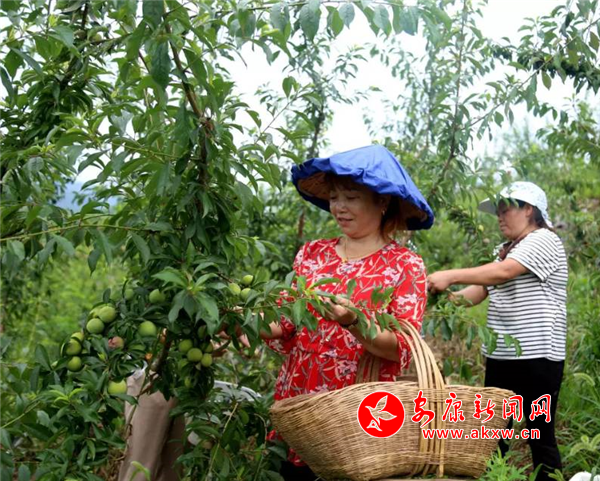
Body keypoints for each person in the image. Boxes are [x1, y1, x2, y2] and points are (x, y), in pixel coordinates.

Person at [256, 145, 434, 480]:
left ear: (382, 201)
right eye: (335, 197)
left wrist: (352, 321)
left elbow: (400, 347)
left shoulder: (404, 265)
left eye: (351, 197)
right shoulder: (313, 254)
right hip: (299, 403)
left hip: (357, 410)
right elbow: (286, 322)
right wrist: (245, 321)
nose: (339, 207)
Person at [427, 181, 567, 481]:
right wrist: (442, 299)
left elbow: (503, 273)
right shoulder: (504, 250)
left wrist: (449, 275)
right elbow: (479, 291)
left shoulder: (544, 240)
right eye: (498, 212)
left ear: (528, 210)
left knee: (539, 434)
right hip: (501, 355)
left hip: (537, 356)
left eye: (506, 210)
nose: (500, 217)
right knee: (494, 435)